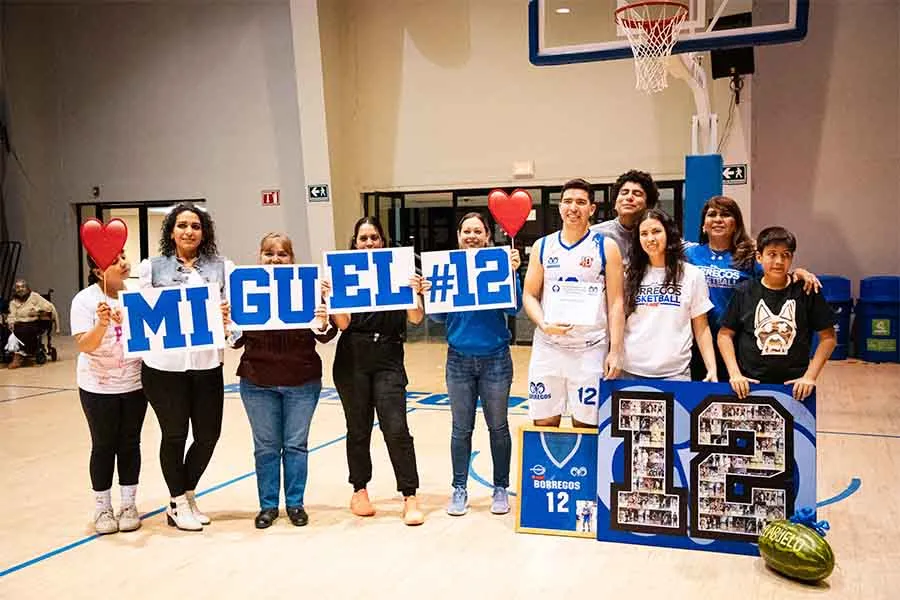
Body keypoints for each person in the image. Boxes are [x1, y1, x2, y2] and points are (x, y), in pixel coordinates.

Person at [231, 233, 337, 529]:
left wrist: (323, 315)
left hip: (302, 380)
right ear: (259, 256)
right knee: (265, 447)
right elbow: (235, 342)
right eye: (269, 253)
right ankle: (267, 506)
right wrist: (229, 320)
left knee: (295, 445)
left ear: (292, 259)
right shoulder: (246, 288)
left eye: (282, 254)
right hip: (257, 381)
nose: (275, 259)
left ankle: (294, 503)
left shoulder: (310, 288)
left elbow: (327, 335)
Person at [138, 203, 230, 531]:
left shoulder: (222, 268)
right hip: (164, 367)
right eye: (182, 226)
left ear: (204, 232)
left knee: (208, 434)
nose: (189, 231)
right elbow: (143, 318)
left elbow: (234, 322)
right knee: (174, 434)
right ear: (171, 231)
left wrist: (227, 321)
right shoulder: (151, 268)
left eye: (195, 226)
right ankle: (177, 500)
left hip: (206, 364)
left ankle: (186, 494)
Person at [330, 216, 428, 526]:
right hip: (352, 358)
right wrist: (331, 297)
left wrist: (414, 291)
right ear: (355, 243)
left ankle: (409, 494)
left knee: (396, 428)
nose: (369, 243)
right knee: (357, 429)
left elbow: (415, 319)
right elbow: (342, 324)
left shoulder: (398, 271)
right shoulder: (344, 275)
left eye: (374, 238)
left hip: (388, 357)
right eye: (363, 238)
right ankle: (359, 490)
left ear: (382, 242)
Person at [426, 212, 522, 517]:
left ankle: (500, 488)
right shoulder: (449, 270)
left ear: (487, 237)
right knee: (460, 429)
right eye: (466, 231)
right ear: (458, 237)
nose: (471, 236)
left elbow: (515, 308)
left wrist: (513, 274)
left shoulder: (498, 267)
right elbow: (437, 317)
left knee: (498, 427)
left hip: (496, 359)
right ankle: (459, 489)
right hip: (458, 360)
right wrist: (430, 292)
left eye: (477, 231)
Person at [522, 178, 625, 428]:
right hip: (549, 348)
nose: (573, 207)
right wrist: (544, 324)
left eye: (581, 202)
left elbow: (616, 303)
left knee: (587, 425)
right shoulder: (543, 246)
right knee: (544, 423)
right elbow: (529, 295)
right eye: (567, 201)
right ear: (559, 207)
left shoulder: (606, 247)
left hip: (590, 349)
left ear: (592, 209)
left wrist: (615, 351)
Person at [685, 196, 820, 380]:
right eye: (712, 215)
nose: (718, 219)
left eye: (725, 215)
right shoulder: (689, 254)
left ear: (736, 223)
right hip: (698, 339)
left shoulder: (748, 256)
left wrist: (799, 272)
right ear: (704, 225)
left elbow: (774, 272)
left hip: (735, 340)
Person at [70, 253, 147, 535]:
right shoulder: (85, 300)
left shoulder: (138, 295)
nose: (124, 262)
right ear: (96, 269)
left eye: (124, 256)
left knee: (130, 443)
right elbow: (84, 345)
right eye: (115, 259)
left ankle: (128, 504)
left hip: (135, 384)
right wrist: (102, 324)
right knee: (103, 445)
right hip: (97, 386)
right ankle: (102, 507)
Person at [718, 226, 837, 401]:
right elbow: (724, 335)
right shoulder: (744, 291)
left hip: (795, 387)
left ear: (792, 258)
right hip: (749, 385)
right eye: (772, 254)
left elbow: (829, 338)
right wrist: (735, 374)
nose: (779, 261)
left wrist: (809, 377)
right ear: (759, 257)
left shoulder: (807, 290)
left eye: (786, 255)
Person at [621, 208, 717, 381]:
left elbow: (701, 327)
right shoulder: (628, 274)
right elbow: (618, 318)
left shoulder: (692, 275)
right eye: (644, 233)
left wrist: (711, 368)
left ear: (669, 234)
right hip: (630, 370)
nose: (650, 238)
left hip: (675, 374)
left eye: (656, 231)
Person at [590, 169, 659, 265]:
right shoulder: (594, 235)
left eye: (637, 194)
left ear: (649, 204)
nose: (629, 197)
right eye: (624, 193)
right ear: (615, 203)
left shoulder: (658, 236)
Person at [6, 278, 59, 368]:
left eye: (23, 286)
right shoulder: (13, 303)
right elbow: (12, 315)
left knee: (23, 330)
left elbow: (49, 307)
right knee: (7, 330)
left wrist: (37, 311)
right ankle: (12, 353)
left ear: (27, 288)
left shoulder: (34, 296)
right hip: (18, 324)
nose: (20, 289)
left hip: (33, 322)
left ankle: (19, 355)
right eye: (18, 287)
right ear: (15, 290)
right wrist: (11, 322)